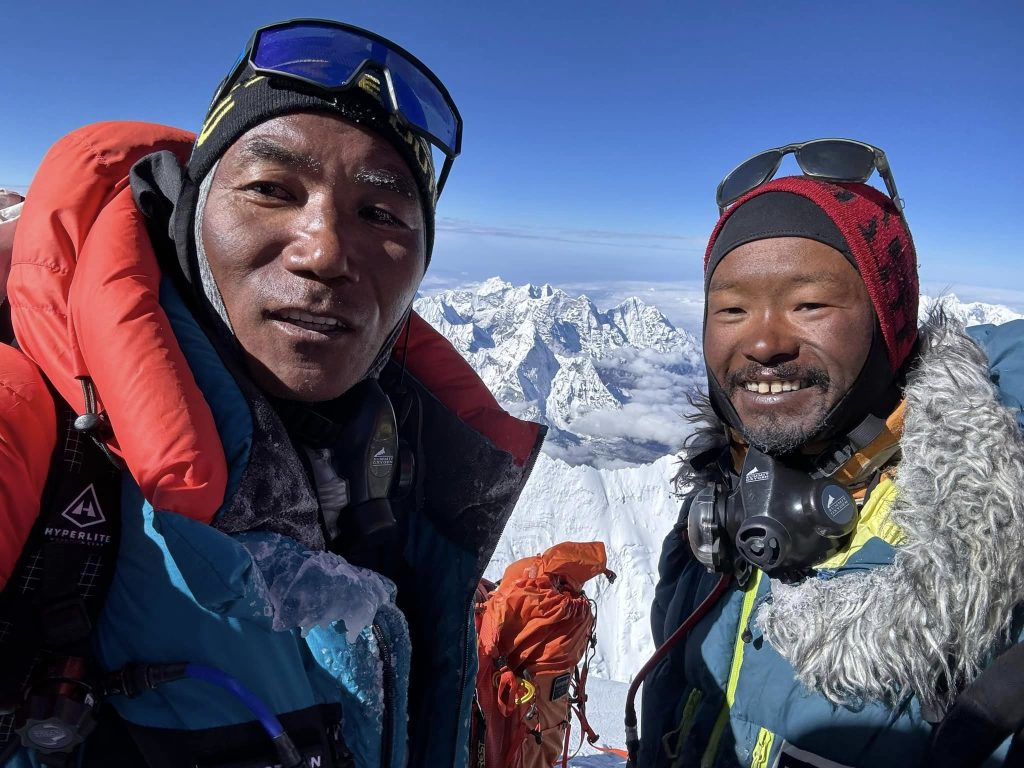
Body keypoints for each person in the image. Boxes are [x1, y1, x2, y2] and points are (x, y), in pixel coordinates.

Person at [0, 19, 543, 768]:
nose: (323, 250)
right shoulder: (29, 431)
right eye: (270, 189)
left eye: (380, 213)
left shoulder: (409, 461)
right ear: (192, 211)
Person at [635, 140, 1024, 768]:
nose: (762, 340)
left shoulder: (997, 549)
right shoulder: (712, 529)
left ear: (888, 322)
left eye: (809, 303)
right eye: (731, 308)